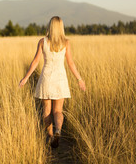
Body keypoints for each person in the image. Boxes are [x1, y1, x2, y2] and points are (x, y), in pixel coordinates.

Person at [19, 16, 86, 148]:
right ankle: (58, 131)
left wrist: (26, 78)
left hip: (46, 78)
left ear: (50, 26)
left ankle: (50, 137)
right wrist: (79, 79)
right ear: (61, 27)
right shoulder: (66, 43)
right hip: (60, 79)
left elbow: (35, 62)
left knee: (46, 110)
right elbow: (71, 63)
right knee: (58, 111)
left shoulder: (42, 42)